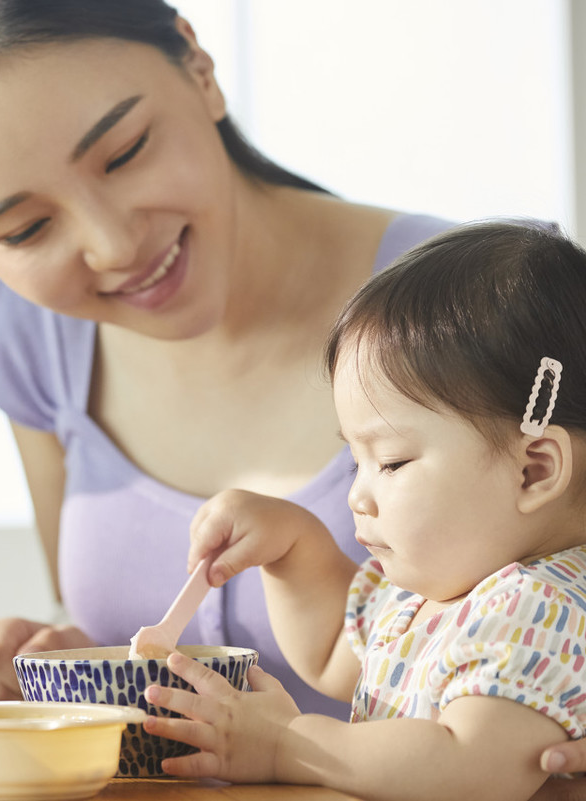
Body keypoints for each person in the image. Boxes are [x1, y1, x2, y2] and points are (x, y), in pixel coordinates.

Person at [0, 0, 586, 781]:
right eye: (24, 229)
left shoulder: (489, 313)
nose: (112, 246)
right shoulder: (23, 333)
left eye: (125, 150)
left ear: (199, 68)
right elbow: (344, 642)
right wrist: (67, 660)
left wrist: (285, 742)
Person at [141, 221, 585, 799]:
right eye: (357, 462)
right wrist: (291, 547)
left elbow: (469, 767)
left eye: (393, 462)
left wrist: (286, 743)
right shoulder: (439, 595)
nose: (358, 495)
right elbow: (332, 653)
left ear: (535, 470)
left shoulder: (539, 609)